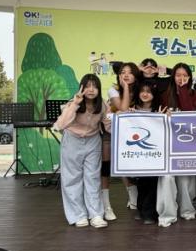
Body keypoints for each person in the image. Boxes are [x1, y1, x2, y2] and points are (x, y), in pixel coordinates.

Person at [54, 74, 111, 229]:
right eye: (87, 86)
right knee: (72, 178)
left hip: (93, 141)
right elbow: (61, 124)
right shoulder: (72, 103)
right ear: (81, 88)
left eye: (95, 86)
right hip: (72, 140)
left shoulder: (103, 105)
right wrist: (75, 104)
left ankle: (96, 215)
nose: (91, 90)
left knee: (93, 178)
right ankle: (78, 215)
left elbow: (109, 127)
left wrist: (125, 118)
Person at [157, 63, 196, 227]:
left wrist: (182, 90)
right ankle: (167, 214)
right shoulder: (164, 94)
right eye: (178, 75)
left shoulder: (194, 94)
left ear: (190, 77)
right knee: (167, 178)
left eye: (185, 75)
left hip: (187, 144)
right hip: (167, 143)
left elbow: (189, 113)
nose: (181, 78)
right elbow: (157, 116)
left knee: (185, 179)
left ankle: (187, 210)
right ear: (173, 76)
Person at [106, 62, 140, 217]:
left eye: (130, 72)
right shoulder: (113, 89)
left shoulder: (141, 89)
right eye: (123, 72)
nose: (126, 75)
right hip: (116, 131)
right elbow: (123, 108)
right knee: (123, 162)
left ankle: (139, 194)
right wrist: (125, 87)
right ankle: (132, 195)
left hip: (137, 130)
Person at [132, 79, 162, 225]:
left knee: (152, 182)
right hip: (138, 154)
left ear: (154, 94)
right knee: (141, 183)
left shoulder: (159, 110)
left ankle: (149, 213)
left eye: (149, 92)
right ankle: (141, 209)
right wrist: (128, 116)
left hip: (154, 153)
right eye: (142, 91)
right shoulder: (132, 109)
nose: (145, 94)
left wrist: (165, 117)